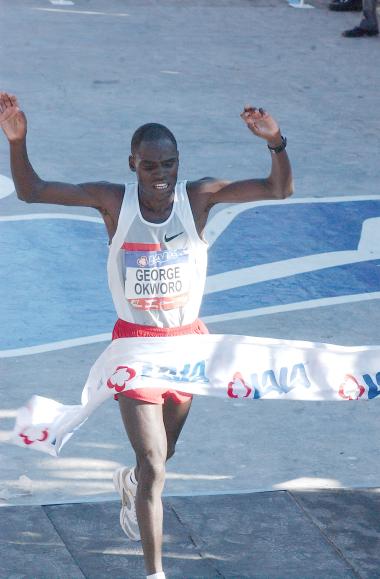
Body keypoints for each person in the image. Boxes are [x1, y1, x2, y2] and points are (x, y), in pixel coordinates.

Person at [0, 91, 293, 579]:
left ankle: (130, 481)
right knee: (157, 463)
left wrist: (277, 142)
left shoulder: (197, 198)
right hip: (134, 348)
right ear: (132, 164)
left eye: (169, 165)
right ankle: (154, 572)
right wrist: (17, 138)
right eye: (150, 166)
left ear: (180, 164)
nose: (160, 176)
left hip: (186, 347)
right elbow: (32, 191)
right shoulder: (113, 202)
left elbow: (278, 190)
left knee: (161, 457)